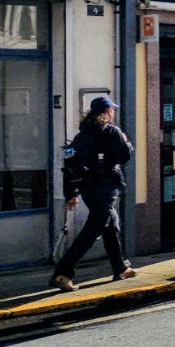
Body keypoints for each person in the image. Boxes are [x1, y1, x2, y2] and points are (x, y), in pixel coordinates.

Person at [50, 96, 135, 292]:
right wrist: (127, 144)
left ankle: (120, 268)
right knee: (94, 229)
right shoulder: (112, 131)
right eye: (112, 109)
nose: (113, 112)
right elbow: (124, 156)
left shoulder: (81, 135)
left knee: (111, 225)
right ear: (107, 112)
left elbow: (69, 165)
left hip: (88, 189)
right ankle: (63, 273)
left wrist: (70, 194)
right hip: (106, 187)